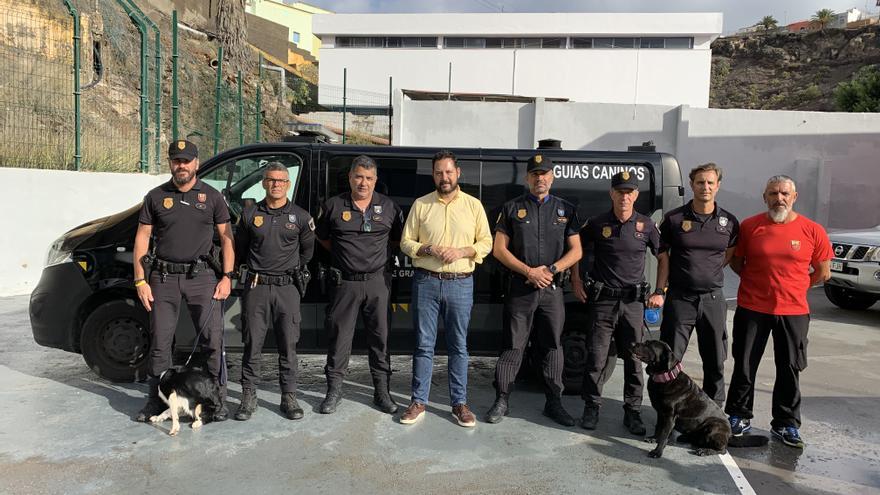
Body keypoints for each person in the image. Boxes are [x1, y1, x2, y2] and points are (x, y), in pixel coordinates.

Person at [725, 175, 831, 449]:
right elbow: (737, 262)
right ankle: (738, 415)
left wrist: (795, 286)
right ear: (765, 197)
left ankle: (786, 424)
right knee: (745, 364)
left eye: (784, 193)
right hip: (752, 307)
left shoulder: (812, 230)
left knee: (789, 368)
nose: (779, 198)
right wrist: (758, 282)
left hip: (793, 311)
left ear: (794, 197)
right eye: (773, 193)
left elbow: (823, 272)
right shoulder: (750, 227)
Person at [133, 139, 235, 422]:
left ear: (197, 163)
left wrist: (227, 276)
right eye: (176, 160)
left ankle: (216, 401)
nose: (181, 165)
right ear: (170, 163)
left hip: (202, 277)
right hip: (162, 279)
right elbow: (142, 238)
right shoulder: (155, 197)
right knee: (160, 342)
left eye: (186, 160)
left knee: (213, 340)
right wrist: (140, 281)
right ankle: (156, 401)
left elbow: (227, 239)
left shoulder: (213, 197)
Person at [486, 154, 582, 426]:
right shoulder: (512, 208)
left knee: (552, 346)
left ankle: (554, 402)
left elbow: (577, 251)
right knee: (513, 346)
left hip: (551, 290)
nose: (540, 178)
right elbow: (499, 249)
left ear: (552, 177)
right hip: (521, 288)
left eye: (545, 174)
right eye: (534, 174)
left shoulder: (566, 210)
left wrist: (550, 270)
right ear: (527, 178)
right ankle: (502, 399)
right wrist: (529, 271)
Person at [398, 150, 493, 427]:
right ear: (433, 175)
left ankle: (459, 404)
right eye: (439, 172)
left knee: (459, 346)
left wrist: (463, 251)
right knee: (423, 345)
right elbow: (406, 242)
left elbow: (486, 242)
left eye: (449, 171)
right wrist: (428, 247)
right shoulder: (421, 205)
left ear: (458, 173)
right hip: (426, 282)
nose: (445, 177)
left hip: (461, 284)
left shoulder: (473, 206)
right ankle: (418, 402)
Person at [570, 170, 660, 436]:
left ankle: (632, 412)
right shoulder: (597, 223)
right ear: (612, 193)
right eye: (619, 191)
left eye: (629, 192)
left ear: (636, 195)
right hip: (604, 303)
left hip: (634, 304)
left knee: (634, 360)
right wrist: (575, 280)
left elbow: (664, 255)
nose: (624, 196)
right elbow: (575, 249)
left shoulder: (646, 225)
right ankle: (592, 407)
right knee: (596, 358)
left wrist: (661, 289)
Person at [315, 155, 404, 415]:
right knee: (339, 339)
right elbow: (323, 238)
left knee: (380, 339)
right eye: (358, 177)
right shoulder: (333, 206)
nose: (363, 182)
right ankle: (333, 392)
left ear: (375, 180)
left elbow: (397, 241)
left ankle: (382, 392)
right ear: (350, 178)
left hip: (378, 283)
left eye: (368, 178)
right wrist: (346, 257)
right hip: (345, 284)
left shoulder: (389, 207)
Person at [649, 163, 739, 407]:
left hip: (712, 300)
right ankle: (668, 411)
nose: (705, 187)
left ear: (718, 185)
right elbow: (663, 257)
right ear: (692, 185)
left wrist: (706, 273)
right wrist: (660, 290)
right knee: (669, 358)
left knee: (715, 359)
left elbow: (728, 254)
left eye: (710, 182)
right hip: (681, 299)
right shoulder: (674, 219)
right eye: (700, 182)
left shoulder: (728, 221)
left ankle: (713, 411)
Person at [233, 163, 315, 421]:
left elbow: (307, 253)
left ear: (288, 184)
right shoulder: (249, 215)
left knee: (288, 344)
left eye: (281, 180)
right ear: (264, 183)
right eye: (271, 180)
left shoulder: (301, 217)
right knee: (252, 343)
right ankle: (248, 395)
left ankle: (289, 396)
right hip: (257, 286)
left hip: (287, 287)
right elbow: (241, 248)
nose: (276, 184)